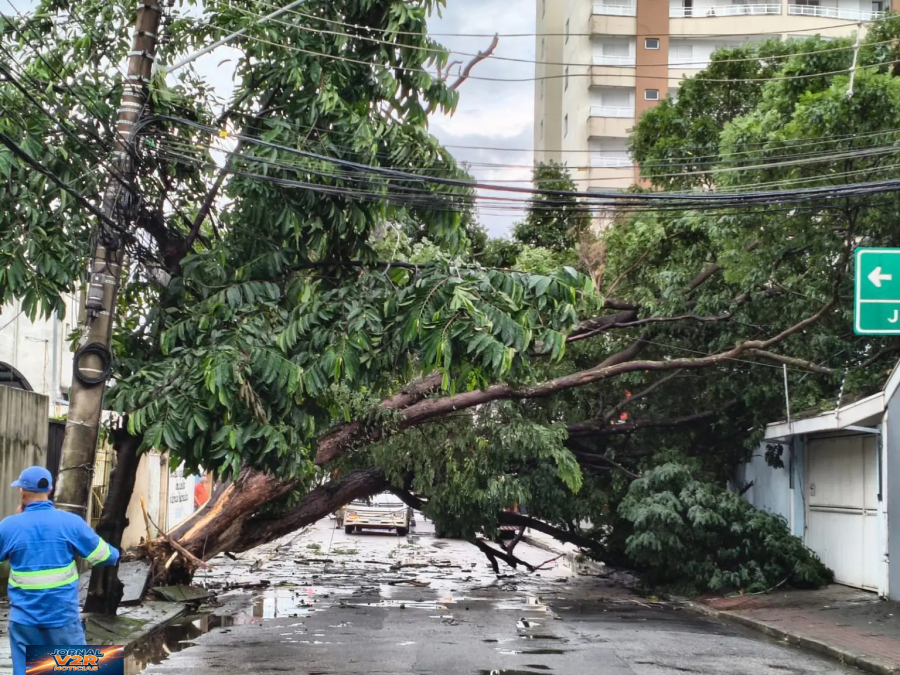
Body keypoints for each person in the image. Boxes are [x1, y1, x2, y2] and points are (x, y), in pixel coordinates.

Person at [0, 466, 120, 675]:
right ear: (50, 489)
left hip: (24, 621)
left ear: (22, 491)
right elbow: (108, 556)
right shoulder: (70, 523)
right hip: (62, 618)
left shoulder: (8, 526)